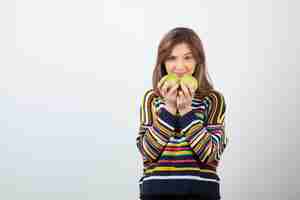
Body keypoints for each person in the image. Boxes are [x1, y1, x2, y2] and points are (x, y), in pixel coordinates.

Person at [136, 27, 229, 200]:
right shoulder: (151, 99)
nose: (180, 67)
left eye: (188, 57)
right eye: (172, 58)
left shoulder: (213, 99)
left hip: (201, 193)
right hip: (155, 193)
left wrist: (186, 111)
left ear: (198, 61)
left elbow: (211, 154)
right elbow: (147, 152)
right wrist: (169, 108)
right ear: (162, 62)